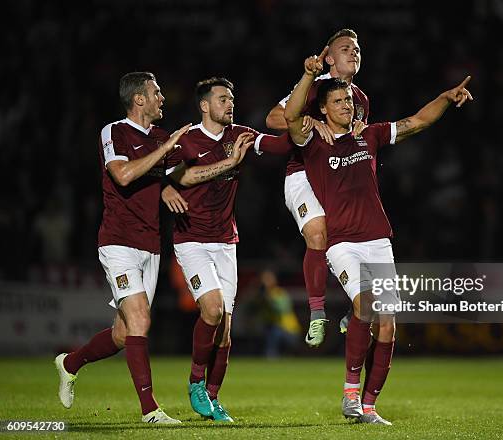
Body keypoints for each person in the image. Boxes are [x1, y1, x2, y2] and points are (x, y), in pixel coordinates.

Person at [284, 49, 473, 425]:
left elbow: (416, 122)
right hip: (341, 243)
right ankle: (350, 394)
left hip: (377, 239)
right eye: (337, 101)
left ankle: (369, 406)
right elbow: (289, 117)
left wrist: (445, 99)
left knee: (387, 322)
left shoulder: (367, 135)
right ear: (322, 110)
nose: (345, 104)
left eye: (349, 99)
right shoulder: (314, 143)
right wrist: (307, 75)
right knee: (367, 305)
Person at [54, 72, 234, 424]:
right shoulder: (115, 131)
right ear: (138, 99)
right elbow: (122, 175)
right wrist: (165, 153)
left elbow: (169, 177)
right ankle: (150, 410)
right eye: (156, 93)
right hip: (118, 241)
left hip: (150, 245)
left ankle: (70, 363)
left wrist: (176, 183)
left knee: (124, 333)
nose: (162, 98)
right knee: (140, 320)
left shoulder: (162, 137)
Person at [161, 77, 295, 422]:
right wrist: (230, 163)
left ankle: (213, 397)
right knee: (212, 309)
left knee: (225, 330)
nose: (229, 104)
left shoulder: (241, 134)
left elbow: (279, 147)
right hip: (191, 239)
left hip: (226, 241)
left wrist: (301, 121)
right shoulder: (186, 140)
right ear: (204, 105)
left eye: (231, 99)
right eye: (222, 99)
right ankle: (194, 382)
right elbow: (180, 178)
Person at [265, 29, 369, 347]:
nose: (353, 52)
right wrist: (310, 121)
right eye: (345, 48)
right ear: (329, 58)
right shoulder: (314, 87)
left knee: (352, 240)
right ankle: (316, 313)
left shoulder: (361, 100)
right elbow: (272, 118)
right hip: (304, 175)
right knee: (318, 234)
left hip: (340, 179)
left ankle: (356, 307)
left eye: (357, 48)